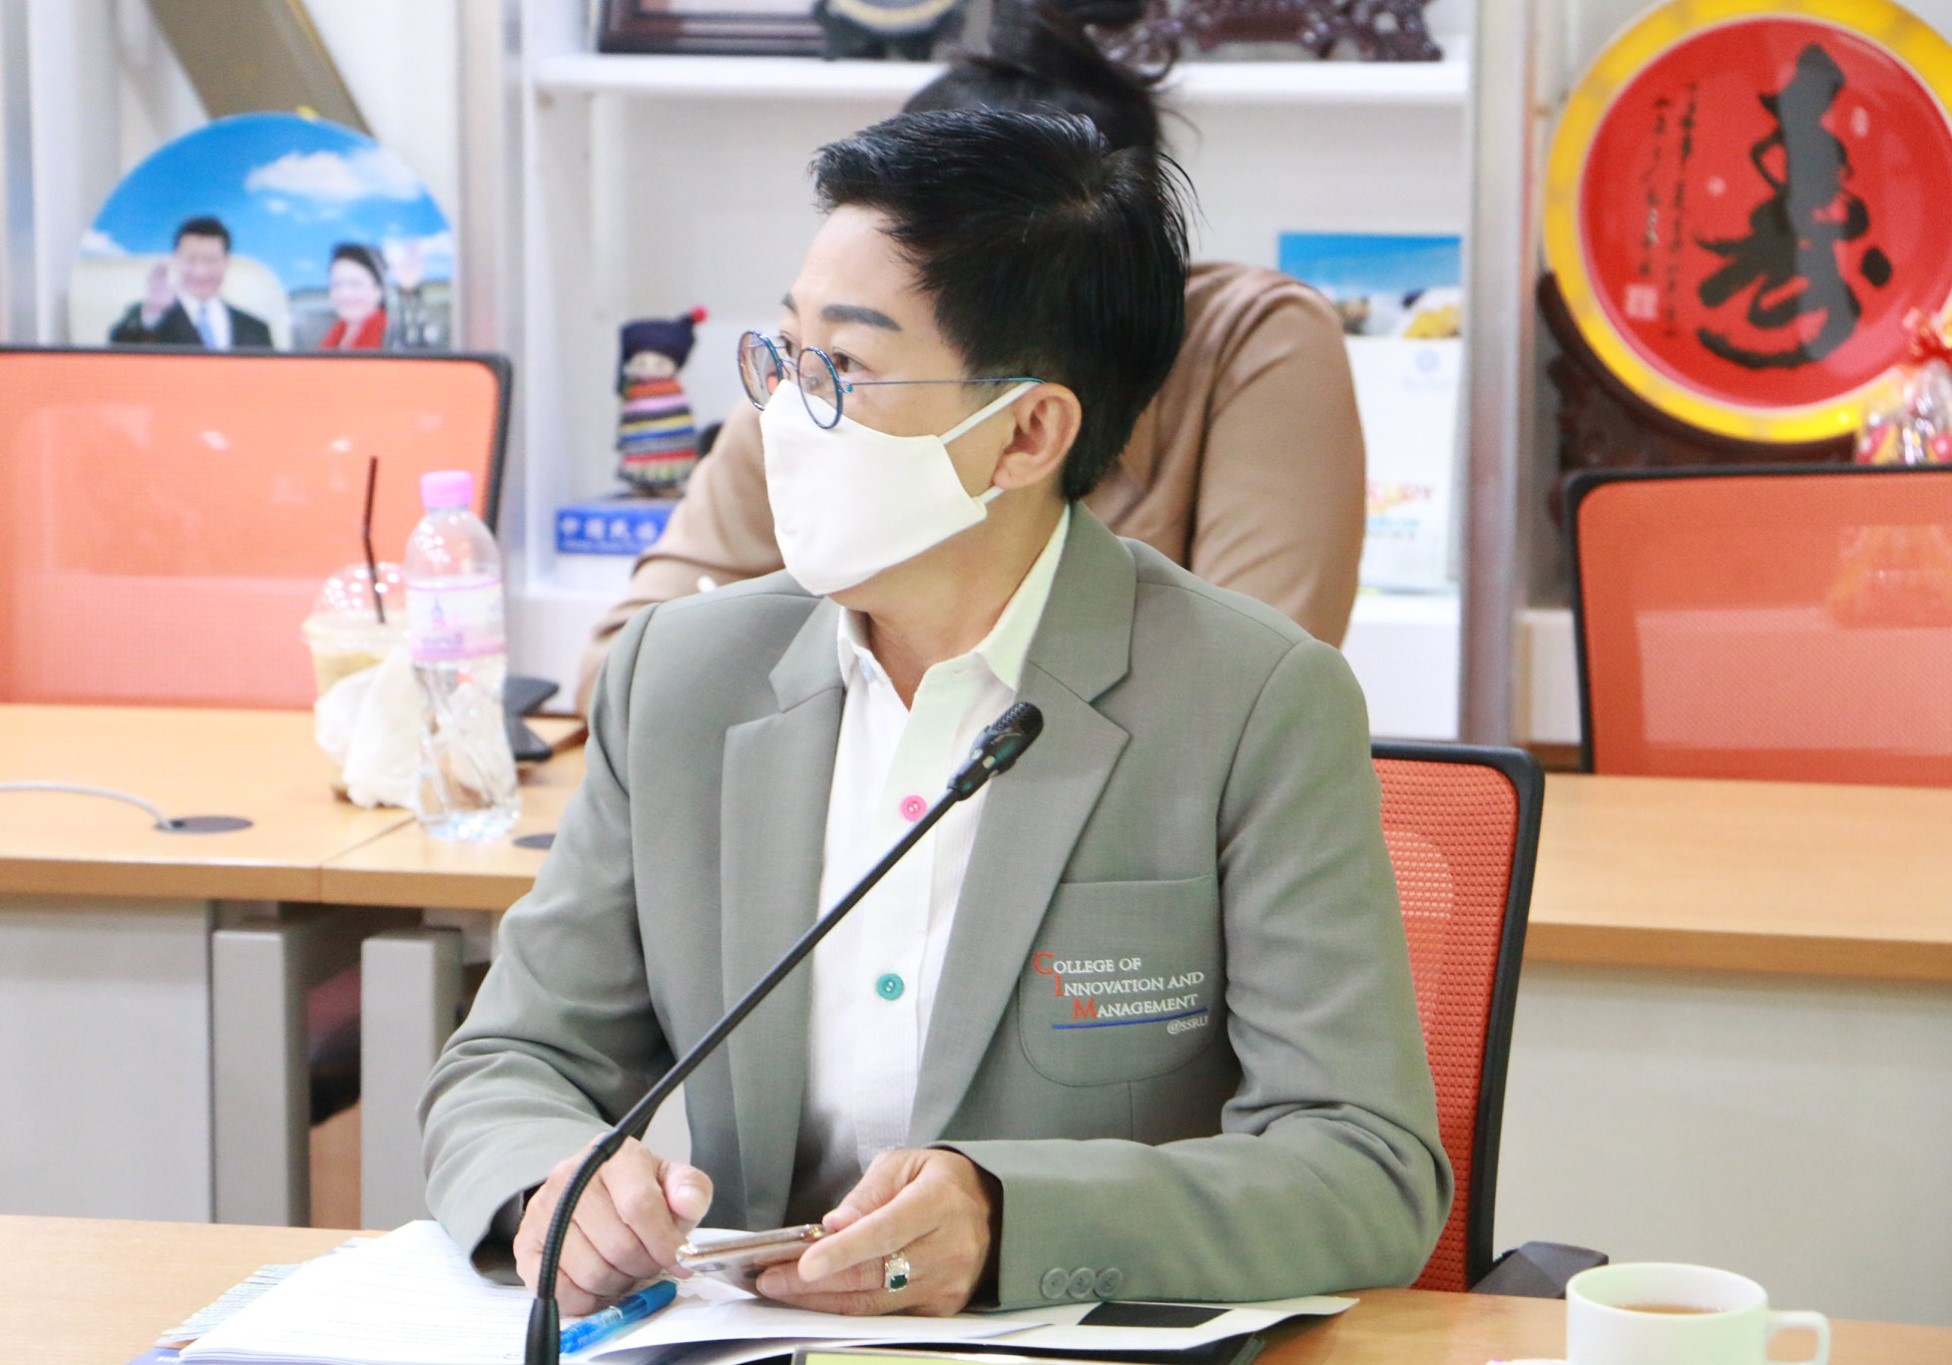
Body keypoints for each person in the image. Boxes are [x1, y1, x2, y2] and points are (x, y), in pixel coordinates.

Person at [421, 109, 1446, 1318]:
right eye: (783, 355)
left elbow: (1363, 1168)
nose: (782, 414)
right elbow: (512, 1062)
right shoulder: (681, 677)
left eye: (844, 372)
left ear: (1026, 433)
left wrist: (1008, 1220)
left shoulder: (1250, 702)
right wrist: (554, 1188)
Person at [574, 7, 1365, 711]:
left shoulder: (1250, 336)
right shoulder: (820, 378)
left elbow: (1235, 711)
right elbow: (625, 675)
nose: (802, 392)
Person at [109, 216, 274, 349]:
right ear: (175, 259)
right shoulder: (150, 317)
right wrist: (152, 314)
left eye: (210, 260)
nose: (200, 271)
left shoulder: (256, 329)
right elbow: (117, 355)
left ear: (226, 262)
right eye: (190, 259)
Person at [321, 242, 389, 350]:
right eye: (337, 284)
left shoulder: (390, 338)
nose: (345, 294)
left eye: (355, 284)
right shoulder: (333, 334)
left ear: (378, 290)